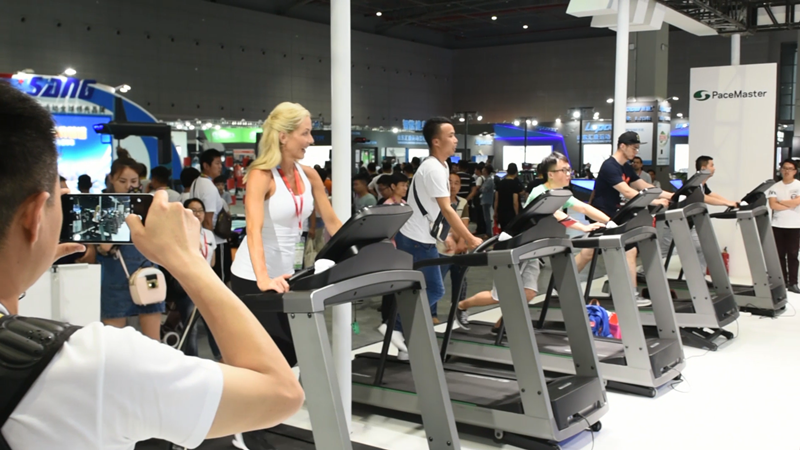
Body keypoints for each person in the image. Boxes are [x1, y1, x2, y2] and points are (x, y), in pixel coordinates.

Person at [0, 82, 305, 448]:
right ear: (35, 216)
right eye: (57, 202)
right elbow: (281, 393)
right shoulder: (95, 364)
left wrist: (19, 264)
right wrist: (188, 262)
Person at [230, 101, 342, 368]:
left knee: (291, 355)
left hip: (286, 276)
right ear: (283, 136)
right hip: (253, 277)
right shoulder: (261, 175)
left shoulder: (310, 175)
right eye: (305, 133)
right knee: (276, 356)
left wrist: (363, 250)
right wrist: (263, 279)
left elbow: (332, 222)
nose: (311, 140)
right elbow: (253, 230)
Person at [455, 153, 610, 329]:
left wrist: (611, 222)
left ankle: (501, 325)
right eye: (564, 170)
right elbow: (556, 214)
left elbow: (584, 207)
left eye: (569, 170)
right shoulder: (540, 192)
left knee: (528, 292)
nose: (569, 174)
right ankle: (462, 306)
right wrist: (583, 227)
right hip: (513, 246)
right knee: (499, 296)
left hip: (532, 248)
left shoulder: (561, 194)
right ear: (551, 174)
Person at [387, 117, 482, 360]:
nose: (455, 139)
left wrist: (446, 234)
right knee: (435, 289)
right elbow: (447, 209)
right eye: (450, 135)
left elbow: (434, 210)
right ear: (436, 141)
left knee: (423, 289)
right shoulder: (433, 169)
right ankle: (396, 326)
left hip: (421, 237)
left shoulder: (441, 166)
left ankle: (403, 336)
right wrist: (469, 237)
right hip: (416, 240)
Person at [590, 132, 672, 306]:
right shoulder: (610, 166)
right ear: (622, 146)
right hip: (603, 214)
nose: (636, 151)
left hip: (615, 215)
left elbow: (643, 186)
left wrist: (671, 195)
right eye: (634, 148)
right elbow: (627, 191)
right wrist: (654, 201)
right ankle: (631, 295)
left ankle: (562, 283)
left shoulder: (625, 167)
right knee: (629, 250)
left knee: (589, 252)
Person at [95, 158, 165, 340]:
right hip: (115, 274)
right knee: (114, 342)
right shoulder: (104, 205)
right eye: (122, 181)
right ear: (111, 179)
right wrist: (119, 213)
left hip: (147, 271)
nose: (129, 186)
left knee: (154, 343)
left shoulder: (148, 205)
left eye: (134, 181)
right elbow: (104, 246)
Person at [173, 198, 219, 358]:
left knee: (213, 323)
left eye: (200, 210)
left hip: (207, 284)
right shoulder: (180, 235)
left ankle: (221, 357)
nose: (197, 214)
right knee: (190, 326)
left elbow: (212, 261)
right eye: (193, 211)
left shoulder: (209, 234)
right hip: (188, 284)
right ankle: (191, 359)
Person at [436, 173, 471, 325]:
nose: (453, 186)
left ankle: (459, 310)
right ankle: (432, 313)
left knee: (461, 282)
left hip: (459, 251)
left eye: (457, 183)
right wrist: (452, 234)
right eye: (450, 182)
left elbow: (464, 225)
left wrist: (462, 241)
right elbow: (439, 225)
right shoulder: (438, 202)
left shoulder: (463, 203)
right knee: (437, 282)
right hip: (442, 249)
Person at [191, 149, 231, 283]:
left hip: (200, 238)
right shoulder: (209, 187)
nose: (220, 167)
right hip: (215, 242)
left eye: (221, 163)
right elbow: (208, 220)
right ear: (206, 165)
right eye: (217, 163)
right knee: (220, 280)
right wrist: (210, 247)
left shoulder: (196, 182)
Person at [768, 159, 800, 294]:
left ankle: (793, 283)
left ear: (795, 171)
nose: (787, 171)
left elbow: (797, 202)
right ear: (781, 170)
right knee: (779, 254)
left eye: (790, 169)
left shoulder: (798, 185)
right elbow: (772, 205)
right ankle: (782, 281)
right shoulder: (775, 187)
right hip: (778, 224)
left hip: (795, 225)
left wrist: (781, 202)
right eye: (785, 168)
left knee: (793, 254)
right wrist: (790, 203)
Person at [494, 163, 524, 232]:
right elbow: (515, 202)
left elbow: (496, 199)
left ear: (507, 171)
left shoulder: (500, 183)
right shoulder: (515, 184)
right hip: (511, 214)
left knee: (503, 232)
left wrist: (495, 212)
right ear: (516, 172)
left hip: (501, 212)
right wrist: (517, 215)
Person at [480, 164, 496, 236]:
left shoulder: (489, 180)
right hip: (485, 200)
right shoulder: (487, 179)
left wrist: (481, 188)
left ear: (486, 171)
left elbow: (483, 189)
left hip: (487, 200)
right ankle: (488, 232)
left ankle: (489, 233)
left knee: (487, 217)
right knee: (486, 217)